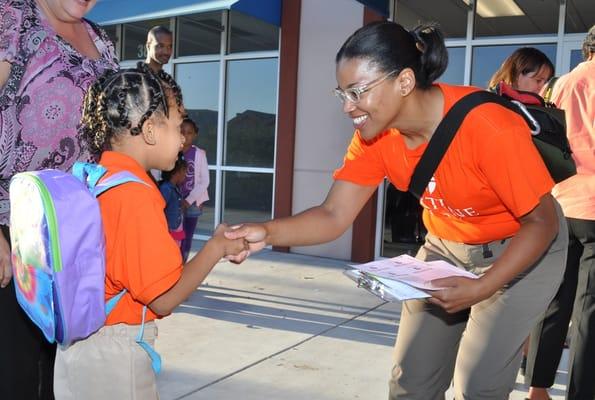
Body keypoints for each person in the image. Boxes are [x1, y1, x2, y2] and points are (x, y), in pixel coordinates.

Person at [225, 21, 569, 399]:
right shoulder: (375, 137)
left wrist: (483, 287)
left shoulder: (488, 126)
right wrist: (267, 232)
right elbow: (333, 215)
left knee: (478, 387)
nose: (347, 107)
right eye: (342, 92)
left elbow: (542, 222)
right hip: (447, 248)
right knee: (411, 384)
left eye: (357, 92)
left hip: (524, 249)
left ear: (404, 82)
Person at [52, 65, 246, 400]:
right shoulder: (135, 196)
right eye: (177, 124)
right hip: (113, 359)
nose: (183, 137)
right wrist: (215, 248)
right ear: (152, 131)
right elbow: (164, 297)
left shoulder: (97, 178)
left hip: (78, 351)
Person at [0, 0, 118, 398]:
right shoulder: (11, 15)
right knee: (13, 378)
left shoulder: (100, 38)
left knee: (62, 381)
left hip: (76, 240)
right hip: (12, 232)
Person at [526, 25, 595, 400]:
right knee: (589, 307)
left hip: (561, 201)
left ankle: (537, 388)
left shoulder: (559, 85)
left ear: (586, 50)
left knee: (555, 297)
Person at [487, 46, 555, 376]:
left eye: (545, 80)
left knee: (523, 298)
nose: (541, 86)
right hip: (498, 217)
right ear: (516, 72)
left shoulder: (540, 111)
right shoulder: (494, 105)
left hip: (530, 212)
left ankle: (519, 359)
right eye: (536, 78)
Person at [179, 117, 210, 262]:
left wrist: (188, 200)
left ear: (195, 135)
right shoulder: (171, 151)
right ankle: (172, 266)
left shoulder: (199, 154)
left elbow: (205, 181)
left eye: (189, 132)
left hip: (192, 202)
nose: (185, 135)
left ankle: (182, 266)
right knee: (173, 236)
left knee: (187, 236)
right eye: (182, 131)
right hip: (174, 201)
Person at [488, 47, 554, 93]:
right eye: (538, 81)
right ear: (516, 76)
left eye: (546, 83)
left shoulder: (545, 109)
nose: (544, 87)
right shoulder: (492, 105)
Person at [159, 155, 188, 247]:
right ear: (176, 173)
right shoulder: (166, 189)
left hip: (176, 227)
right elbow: (160, 209)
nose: (185, 175)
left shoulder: (176, 188)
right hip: (170, 229)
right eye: (184, 172)